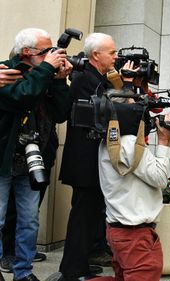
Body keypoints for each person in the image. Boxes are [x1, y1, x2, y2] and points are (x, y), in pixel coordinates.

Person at [0, 28, 72, 281]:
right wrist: (47, 70)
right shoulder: (5, 73)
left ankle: (24, 273)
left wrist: (60, 81)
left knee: (29, 222)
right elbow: (24, 97)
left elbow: (62, 114)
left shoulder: (45, 75)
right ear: (27, 52)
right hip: (3, 160)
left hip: (32, 161)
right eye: (46, 51)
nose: (52, 55)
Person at [93, 89, 170, 281]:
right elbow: (159, 178)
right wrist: (165, 142)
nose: (140, 110)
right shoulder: (128, 143)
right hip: (134, 234)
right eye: (134, 105)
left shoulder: (110, 139)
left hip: (121, 230)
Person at [57, 33, 117, 281]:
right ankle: (71, 271)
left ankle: (81, 263)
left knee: (90, 213)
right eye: (112, 52)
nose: (116, 56)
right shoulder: (84, 79)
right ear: (95, 55)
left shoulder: (96, 77)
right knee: (82, 215)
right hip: (84, 160)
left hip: (90, 159)